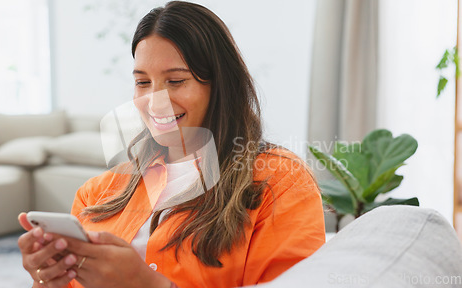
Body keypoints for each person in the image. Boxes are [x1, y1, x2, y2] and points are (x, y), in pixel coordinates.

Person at [17, 1, 325, 287]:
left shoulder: (281, 182)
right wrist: (49, 279)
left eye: (176, 81)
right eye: (142, 82)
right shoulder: (97, 194)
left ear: (220, 87)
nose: (155, 101)